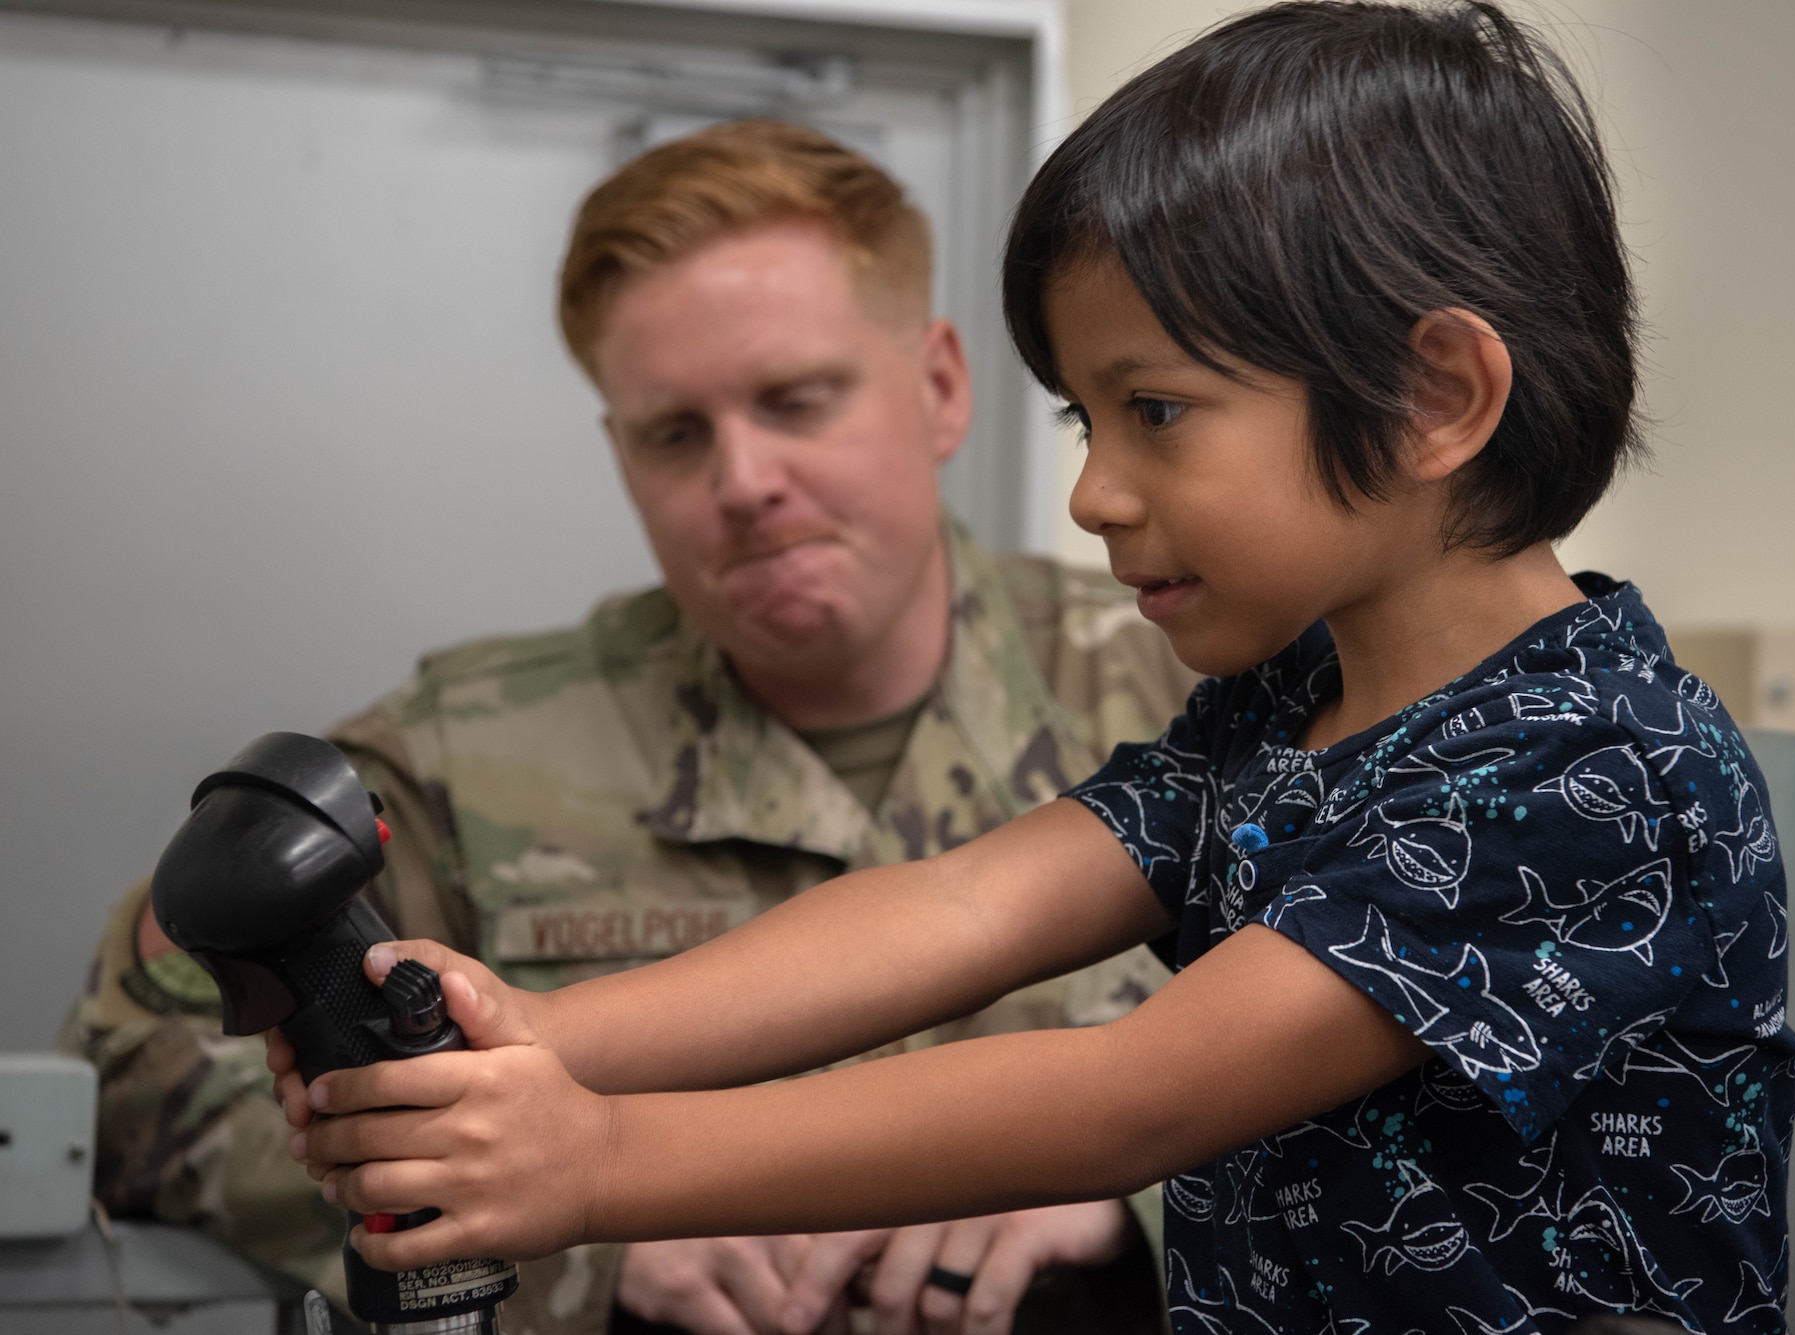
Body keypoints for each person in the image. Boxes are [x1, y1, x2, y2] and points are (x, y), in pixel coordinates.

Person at [278, 3, 1795, 1331]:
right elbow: (964, 902)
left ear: (1432, 396)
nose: (1093, 493)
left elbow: (1132, 1096)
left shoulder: (1589, 762)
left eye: (1157, 410)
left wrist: (600, 1162)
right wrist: (548, 1034)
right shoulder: (1290, 706)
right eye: (1087, 421)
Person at [59, 120, 1200, 1335]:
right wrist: (571, 1236)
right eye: (675, 433)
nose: (743, 479)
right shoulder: (466, 756)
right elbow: (132, 1068)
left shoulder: (1194, 694)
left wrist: (1129, 1191)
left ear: (937, 388)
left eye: (795, 400)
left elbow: (1400, 1043)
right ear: (620, 455)